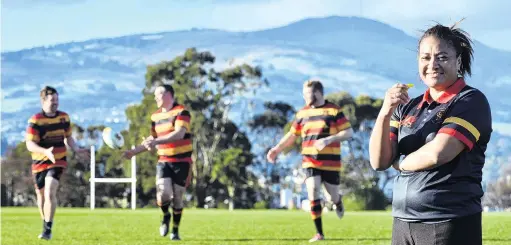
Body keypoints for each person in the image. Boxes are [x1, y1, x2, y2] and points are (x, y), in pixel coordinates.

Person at [369, 22, 492, 245]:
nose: (432, 64)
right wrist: (385, 112)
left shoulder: (470, 100)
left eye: (442, 57)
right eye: (425, 58)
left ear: (458, 61)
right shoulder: (407, 106)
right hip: (403, 223)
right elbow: (378, 161)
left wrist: (400, 163)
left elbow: (439, 153)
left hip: (449, 222)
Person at [267, 80, 354, 243]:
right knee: (313, 190)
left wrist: (329, 140)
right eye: (304, 94)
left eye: (308, 94)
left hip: (331, 162)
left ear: (319, 93)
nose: (305, 97)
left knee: (331, 195)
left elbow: (349, 132)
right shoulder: (302, 113)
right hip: (309, 161)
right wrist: (276, 149)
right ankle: (319, 233)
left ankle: (338, 201)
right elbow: (292, 135)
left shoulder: (333, 110)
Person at [122, 83, 192, 241]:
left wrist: (156, 141)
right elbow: (152, 140)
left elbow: (179, 134)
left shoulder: (182, 112)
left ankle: (175, 230)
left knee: (178, 197)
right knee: (163, 194)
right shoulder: (155, 117)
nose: (155, 98)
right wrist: (133, 152)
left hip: (182, 161)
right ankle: (165, 216)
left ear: (168, 95)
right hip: (164, 161)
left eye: (158, 94)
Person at [25, 86, 90, 240]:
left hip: (58, 160)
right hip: (40, 161)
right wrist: (45, 152)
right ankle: (45, 223)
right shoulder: (35, 120)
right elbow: (30, 144)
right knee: (40, 197)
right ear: (43, 101)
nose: (56, 103)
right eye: (52, 100)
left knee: (50, 190)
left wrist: (77, 149)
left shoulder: (64, 118)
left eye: (57, 100)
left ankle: (48, 229)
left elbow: (68, 138)